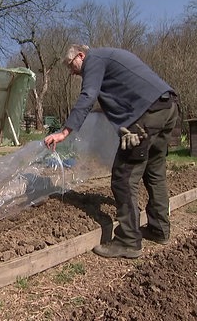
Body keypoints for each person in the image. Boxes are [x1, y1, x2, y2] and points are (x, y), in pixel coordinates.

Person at [44, 45, 179, 259]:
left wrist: (64, 132)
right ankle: (159, 229)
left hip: (147, 115)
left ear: (81, 55)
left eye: (71, 66)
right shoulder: (109, 57)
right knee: (154, 172)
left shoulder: (94, 59)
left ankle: (128, 241)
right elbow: (111, 99)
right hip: (166, 107)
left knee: (123, 177)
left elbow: (88, 95)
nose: (72, 72)